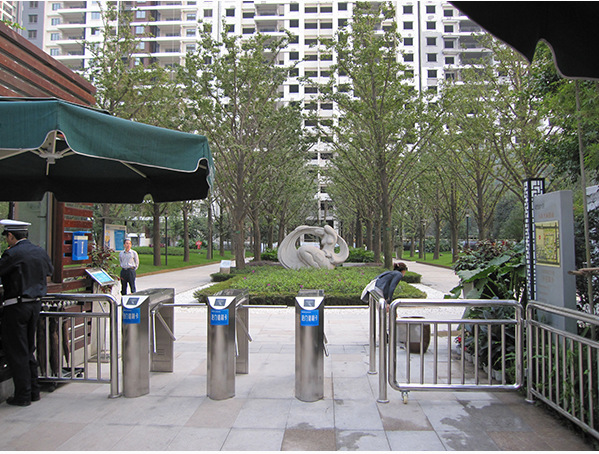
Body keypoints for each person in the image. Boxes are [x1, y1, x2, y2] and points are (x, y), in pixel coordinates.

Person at [0, 219, 54, 406]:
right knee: (29, 349)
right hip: (35, 306)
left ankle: (23, 395)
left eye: (6, 237)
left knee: (17, 351)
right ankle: (33, 391)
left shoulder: (12, 254)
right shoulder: (40, 251)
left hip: (16, 306)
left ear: (11, 236)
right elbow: (49, 271)